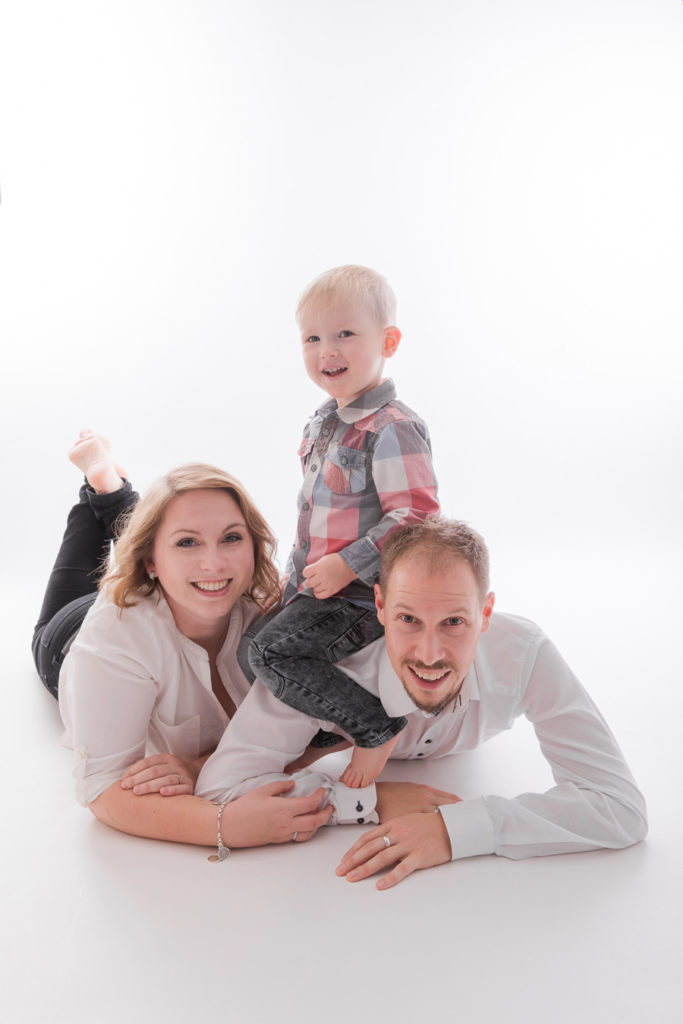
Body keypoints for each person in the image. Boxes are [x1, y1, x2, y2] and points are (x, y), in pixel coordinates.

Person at [197, 515, 648, 888]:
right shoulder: (321, 663)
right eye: (408, 619)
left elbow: (620, 809)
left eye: (454, 622)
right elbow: (222, 788)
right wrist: (368, 801)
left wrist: (456, 830)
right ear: (378, 606)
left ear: (485, 614)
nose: (429, 655)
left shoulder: (523, 652)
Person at [34, 431, 334, 854]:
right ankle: (100, 486)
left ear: (254, 545)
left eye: (232, 538)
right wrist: (223, 826)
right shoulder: (110, 643)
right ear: (151, 564)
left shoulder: (271, 605)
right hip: (68, 634)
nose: (215, 561)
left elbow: (331, 725)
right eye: (188, 544)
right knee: (100, 551)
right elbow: (102, 790)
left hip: (170, 583)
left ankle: (116, 492)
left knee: (175, 529)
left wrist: (196, 768)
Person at [248, 265, 440, 788]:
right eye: (312, 338)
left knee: (271, 652)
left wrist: (347, 564)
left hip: (360, 594)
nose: (325, 351)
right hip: (317, 585)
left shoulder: (393, 426)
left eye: (344, 335)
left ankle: (375, 727)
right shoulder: (321, 421)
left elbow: (417, 517)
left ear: (389, 341)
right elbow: (315, 513)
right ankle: (324, 734)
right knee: (250, 649)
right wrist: (295, 581)